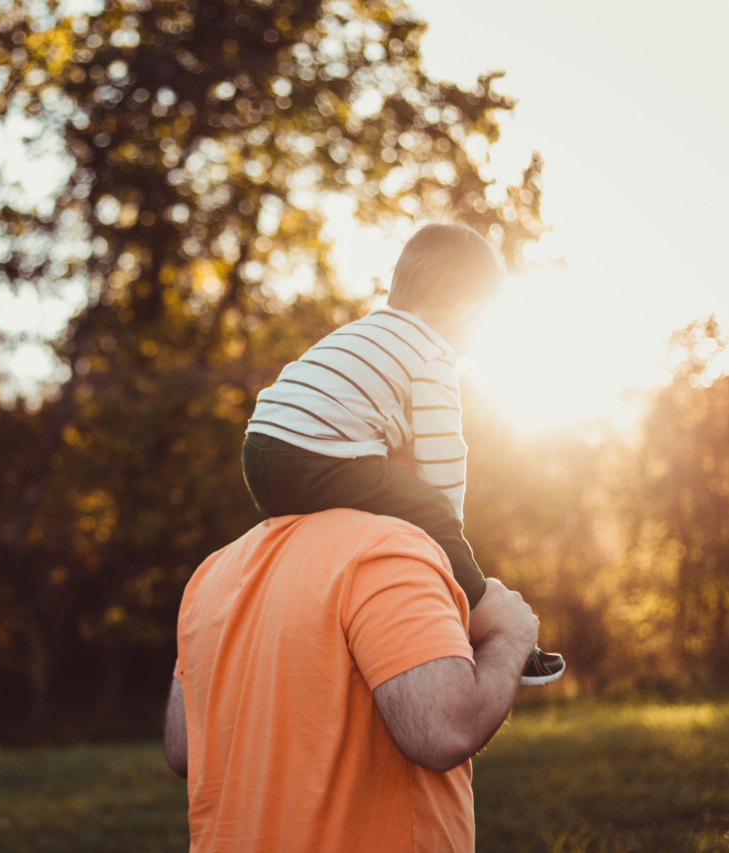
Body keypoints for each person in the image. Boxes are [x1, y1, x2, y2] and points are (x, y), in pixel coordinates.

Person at [240, 222, 563, 684]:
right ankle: (489, 626)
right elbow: (444, 455)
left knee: (383, 500)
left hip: (261, 451)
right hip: (314, 456)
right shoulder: (432, 351)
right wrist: (445, 529)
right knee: (427, 506)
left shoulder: (366, 333)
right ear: (472, 315)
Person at [164, 509, 539, 852]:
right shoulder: (384, 549)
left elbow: (183, 747)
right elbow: (445, 729)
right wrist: (510, 635)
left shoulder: (211, 573)